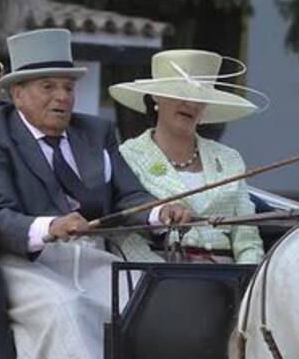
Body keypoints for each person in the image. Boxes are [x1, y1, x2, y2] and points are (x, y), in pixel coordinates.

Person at [0, 28, 191, 359]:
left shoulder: (95, 132)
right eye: (48, 86)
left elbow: (128, 195)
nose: (62, 97)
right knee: (65, 308)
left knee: (153, 299)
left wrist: (159, 212)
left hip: (92, 258)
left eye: (68, 87)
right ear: (17, 94)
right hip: (22, 264)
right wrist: (51, 226)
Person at [109, 49, 267, 264]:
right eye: (180, 94)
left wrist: (247, 285)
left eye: (200, 97)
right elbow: (123, 236)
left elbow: (247, 239)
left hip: (229, 281)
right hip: (157, 279)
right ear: (156, 95)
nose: (191, 104)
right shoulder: (127, 157)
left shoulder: (229, 159)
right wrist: (165, 279)